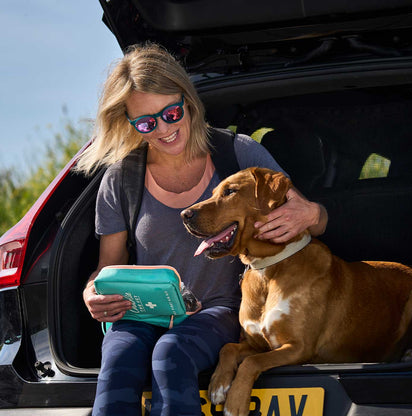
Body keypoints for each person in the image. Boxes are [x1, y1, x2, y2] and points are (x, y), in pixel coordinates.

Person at [77, 43, 328, 416]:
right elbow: (107, 267)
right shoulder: (121, 179)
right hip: (142, 310)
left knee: (171, 353)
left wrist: (313, 213)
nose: (164, 129)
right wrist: (92, 292)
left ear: (187, 100)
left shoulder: (237, 153)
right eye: (146, 123)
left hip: (218, 310)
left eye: (171, 113)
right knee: (117, 361)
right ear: (129, 123)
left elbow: (309, 219)